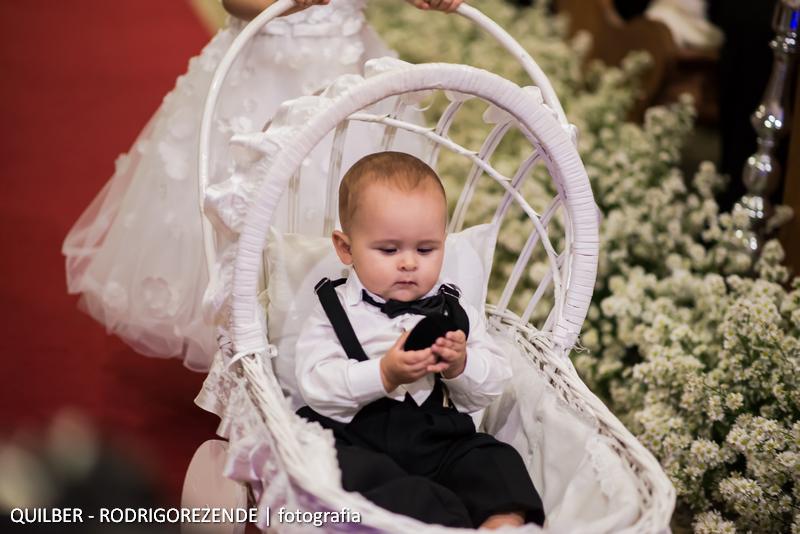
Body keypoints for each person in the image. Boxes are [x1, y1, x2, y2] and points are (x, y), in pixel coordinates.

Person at [61, 0, 462, 371]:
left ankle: (332, 339)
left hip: (344, 65)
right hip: (262, 67)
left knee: (356, 203)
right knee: (246, 209)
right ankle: (253, 352)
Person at [294, 152, 545, 529]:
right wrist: (383, 374)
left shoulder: (456, 311)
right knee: (341, 469)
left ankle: (502, 522)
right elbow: (316, 383)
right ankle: (439, 520)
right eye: (389, 250)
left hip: (437, 439)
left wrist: (461, 365)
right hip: (358, 437)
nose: (409, 263)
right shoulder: (333, 308)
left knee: (495, 459)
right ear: (346, 248)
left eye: (426, 250)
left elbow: (489, 385)